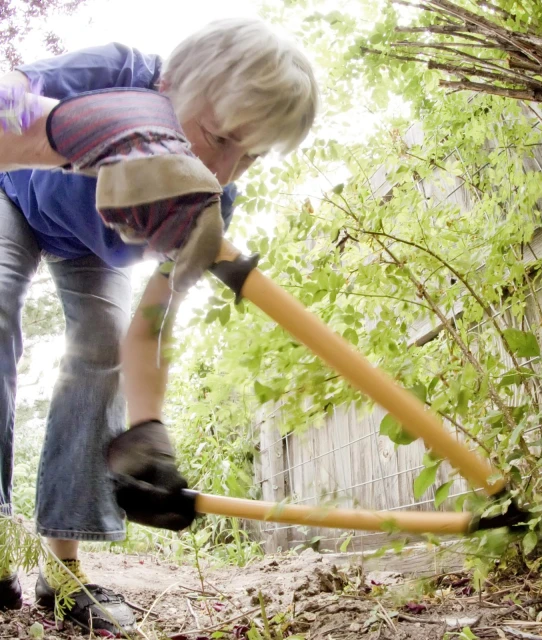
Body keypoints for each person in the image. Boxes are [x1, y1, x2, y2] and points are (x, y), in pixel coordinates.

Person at [0, 18, 318, 635]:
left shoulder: (210, 205)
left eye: (250, 156)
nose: (227, 171)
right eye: (219, 137)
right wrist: (85, 130)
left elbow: (148, 327)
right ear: (171, 82)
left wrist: (147, 434)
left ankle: (63, 568)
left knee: (100, 350)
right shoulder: (118, 70)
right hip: (14, 193)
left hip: (92, 250)